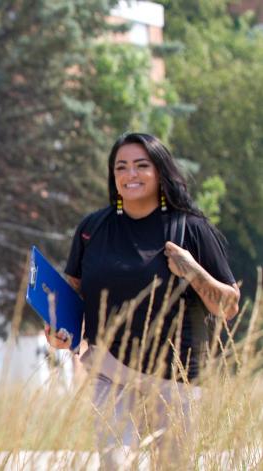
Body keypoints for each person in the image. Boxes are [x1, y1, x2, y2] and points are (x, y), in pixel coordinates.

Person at [46, 133, 239, 469]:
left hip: (175, 378)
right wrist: (58, 331)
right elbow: (72, 295)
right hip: (111, 369)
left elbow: (228, 306)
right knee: (114, 463)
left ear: (160, 172)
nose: (130, 174)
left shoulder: (190, 229)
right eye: (121, 167)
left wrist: (193, 271)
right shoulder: (93, 228)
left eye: (140, 166)